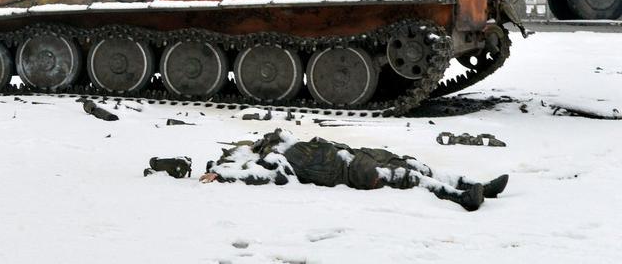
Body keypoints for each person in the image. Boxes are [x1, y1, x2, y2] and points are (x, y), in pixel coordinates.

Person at [199, 129, 508, 211]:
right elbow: (260, 176)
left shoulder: (274, 144)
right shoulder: (271, 165)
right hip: (345, 172)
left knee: (411, 163)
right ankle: (461, 198)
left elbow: (269, 140)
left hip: (350, 153)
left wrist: (270, 139)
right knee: (403, 177)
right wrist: (223, 173)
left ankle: (478, 184)